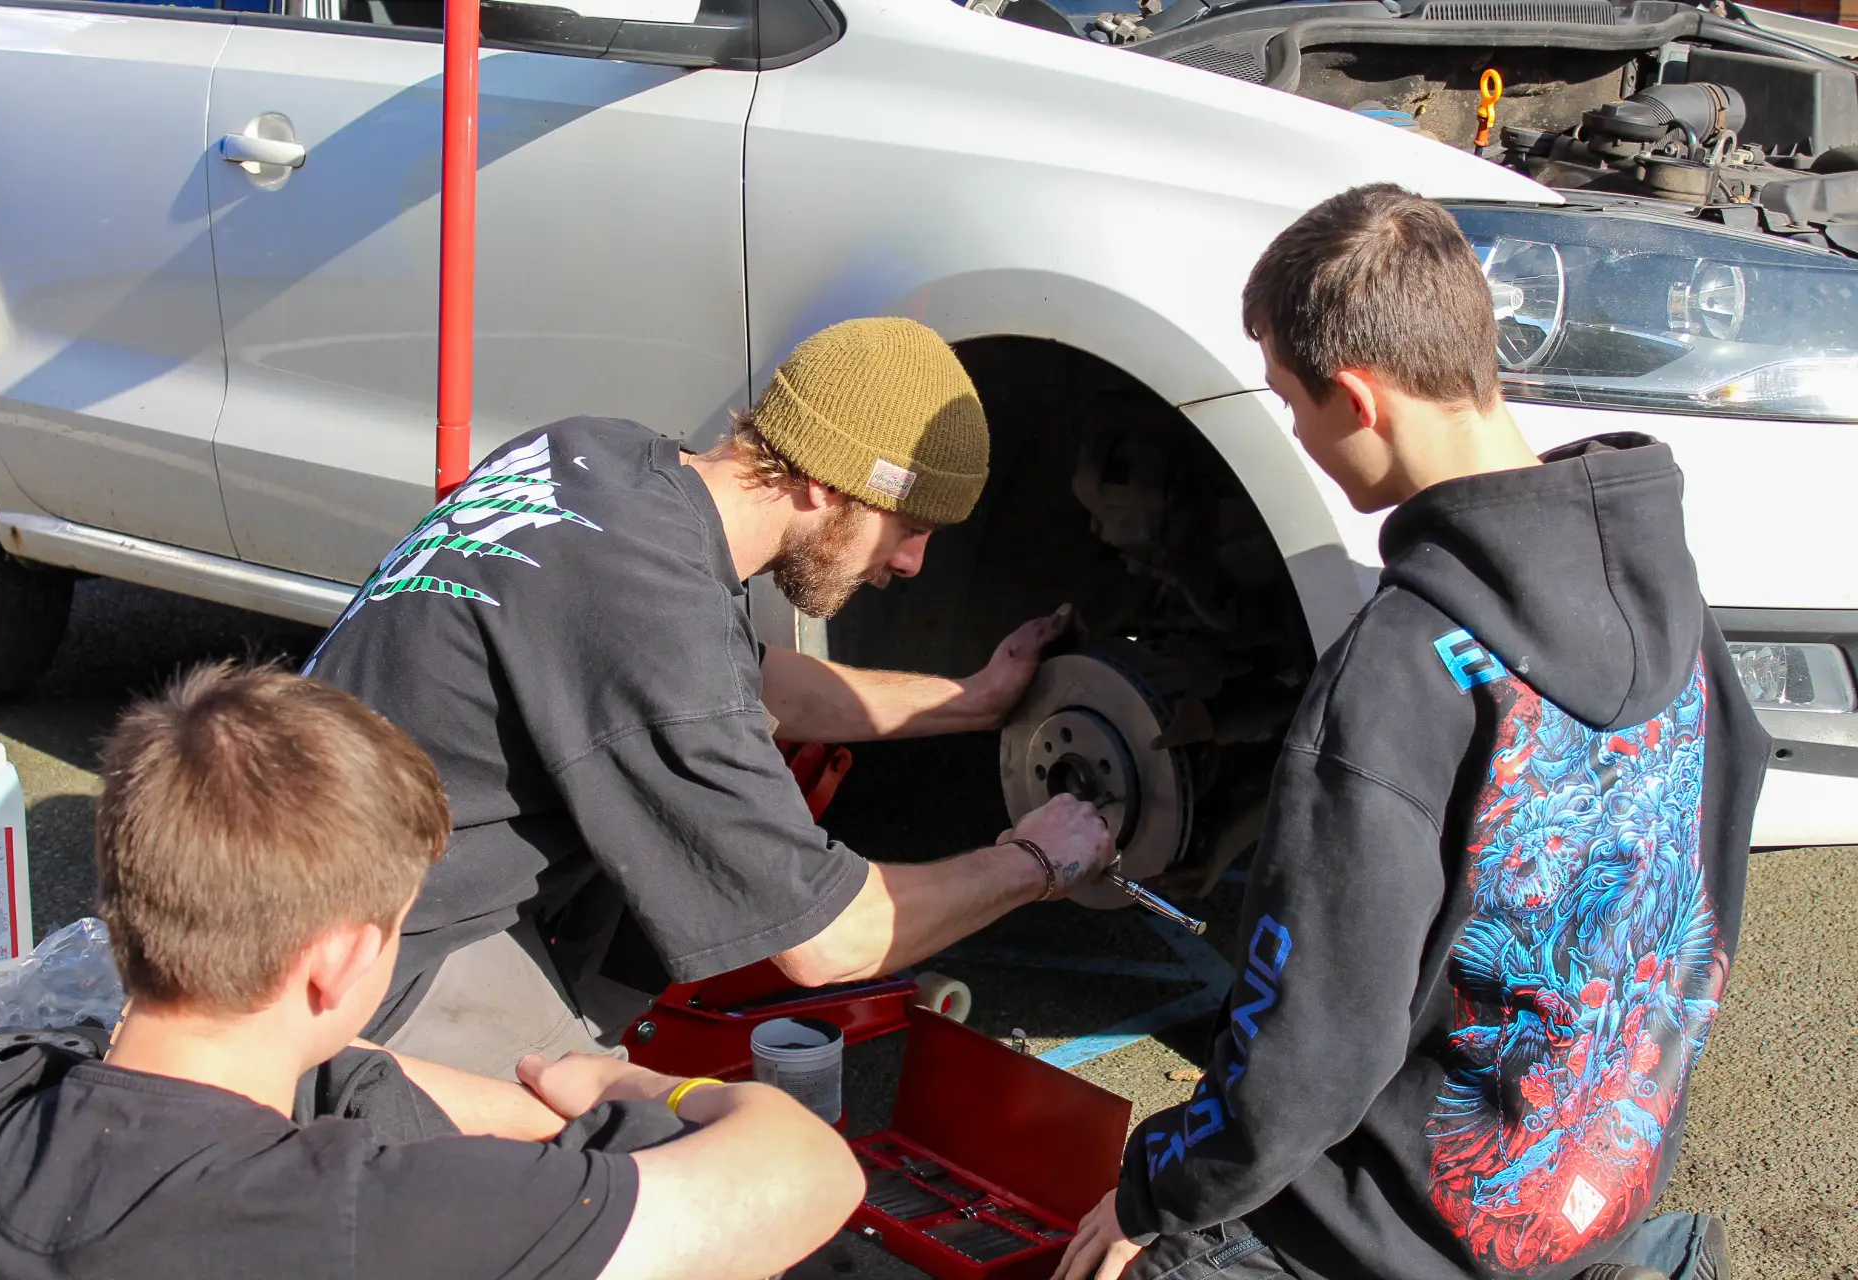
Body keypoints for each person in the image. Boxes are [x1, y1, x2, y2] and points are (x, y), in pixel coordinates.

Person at [1055, 186, 1767, 1280]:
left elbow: (1309, 1052)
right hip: (1598, 1190)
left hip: (1402, 1237)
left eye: (1290, 401)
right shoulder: (1671, 594)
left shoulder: (1400, 669)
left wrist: (1154, 1188)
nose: (1296, 435)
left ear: (1356, 398)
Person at [304, 316, 1116, 1077]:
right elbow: (831, 940)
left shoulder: (598, 455)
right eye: (909, 527)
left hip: (279, 855)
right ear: (826, 484)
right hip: (344, 968)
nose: (910, 564)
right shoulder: (655, 622)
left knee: (659, 882)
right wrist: (1036, 862)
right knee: (631, 1156)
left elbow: (740, 681)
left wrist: (975, 700)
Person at [0, 664, 865, 1280]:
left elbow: (330, 1071)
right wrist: (638, 1086)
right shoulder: (368, 1221)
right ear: (341, 960)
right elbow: (811, 1172)